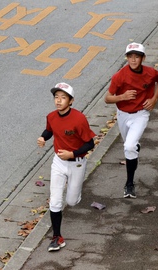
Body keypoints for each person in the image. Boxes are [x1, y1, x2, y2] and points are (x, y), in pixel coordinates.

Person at [37, 82, 96, 251]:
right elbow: (49, 130)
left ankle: (75, 193)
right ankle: (57, 237)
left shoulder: (79, 119)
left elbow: (90, 143)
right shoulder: (51, 116)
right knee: (55, 201)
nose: (59, 101)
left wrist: (72, 154)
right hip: (58, 163)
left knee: (71, 201)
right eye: (56, 97)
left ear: (71, 101)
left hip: (76, 163)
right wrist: (43, 138)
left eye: (63, 98)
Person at [104, 42, 158, 198]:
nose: (133, 60)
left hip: (140, 114)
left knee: (129, 147)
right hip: (123, 114)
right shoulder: (119, 76)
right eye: (130, 56)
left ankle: (129, 184)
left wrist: (154, 98)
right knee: (129, 146)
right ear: (126, 58)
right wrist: (122, 97)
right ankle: (134, 146)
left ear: (142, 58)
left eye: (136, 57)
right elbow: (108, 98)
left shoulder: (150, 73)